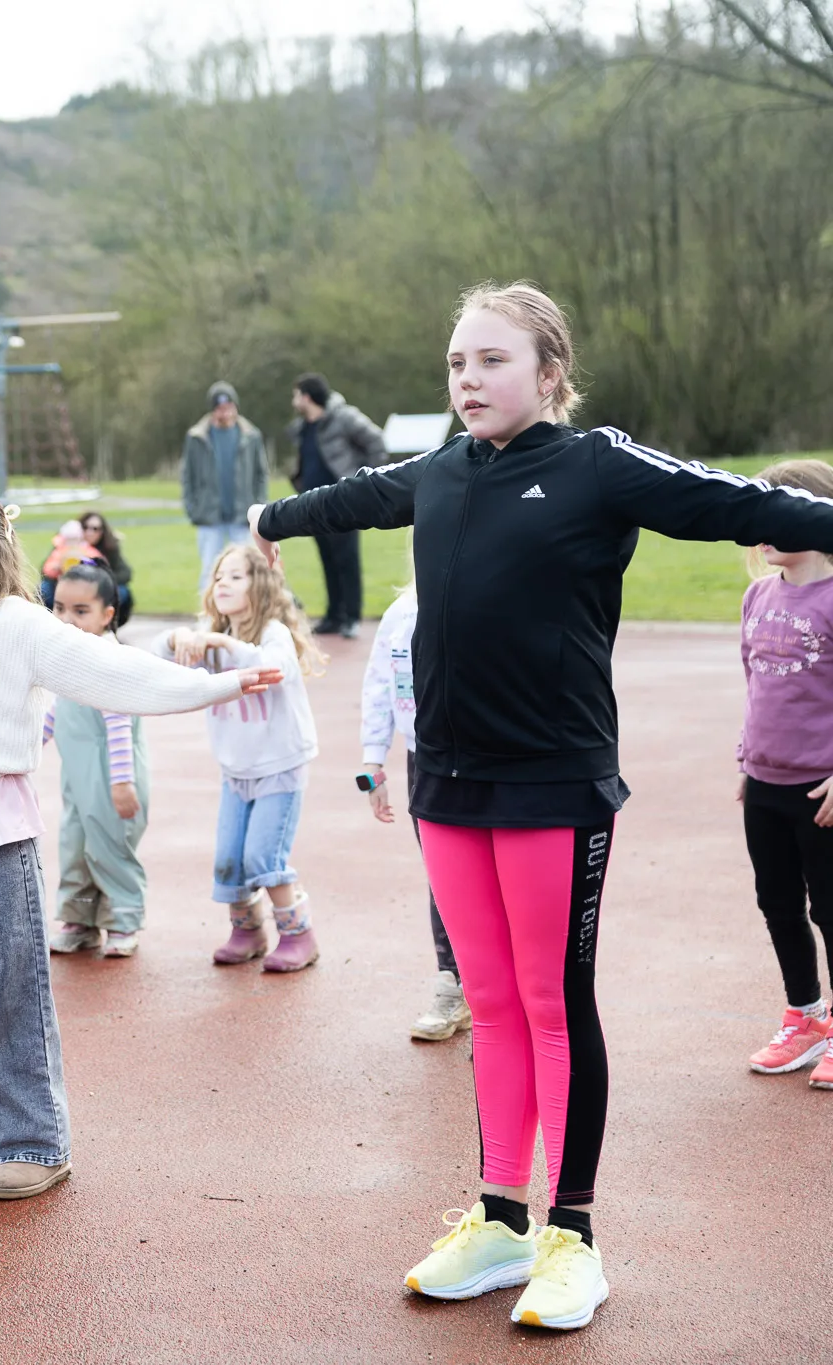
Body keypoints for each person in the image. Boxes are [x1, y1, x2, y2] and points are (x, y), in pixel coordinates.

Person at [251, 280, 833, 1332]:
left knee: (550, 1001)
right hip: (448, 786)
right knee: (487, 1003)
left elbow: (740, 503)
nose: (467, 379)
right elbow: (352, 496)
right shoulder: (438, 472)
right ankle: (500, 1220)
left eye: (490, 361)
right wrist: (268, 519)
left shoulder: (595, 464)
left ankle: (571, 1236)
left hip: (552, 785)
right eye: (455, 364)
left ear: (549, 374)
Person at [0, 482, 279, 1201]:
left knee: (13, 982)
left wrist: (213, 687)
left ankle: (34, 1139)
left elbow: (112, 671)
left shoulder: (14, 622)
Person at [150, 544, 325, 971]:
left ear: (261, 584)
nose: (223, 583)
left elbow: (274, 668)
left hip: (279, 766)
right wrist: (178, 638)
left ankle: (300, 936)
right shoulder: (208, 636)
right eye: (219, 576)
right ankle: (247, 931)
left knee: (262, 859)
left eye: (236, 576)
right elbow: (158, 657)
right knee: (229, 859)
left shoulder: (271, 633)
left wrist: (222, 642)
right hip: (236, 769)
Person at [735, 458, 833, 1090]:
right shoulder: (757, 594)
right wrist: (748, 758)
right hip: (764, 782)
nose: (760, 526)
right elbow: (754, 685)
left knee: (831, 908)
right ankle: (807, 1016)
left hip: (822, 789)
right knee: (777, 902)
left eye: (777, 510)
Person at [362, 579, 471, 1041]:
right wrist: (372, 763)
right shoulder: (401, 611)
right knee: (443, 875)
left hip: (483, 755)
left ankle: (497, 995)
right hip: (421, 758)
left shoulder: (480, 593)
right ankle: (453, 984)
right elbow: (379, 685)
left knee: (489, 874)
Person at [43, 564, 149, 959]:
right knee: (75, 845)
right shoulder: (68, 657)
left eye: (81, 611)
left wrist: (122, 783)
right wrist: (25, 746)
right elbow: (56, 710)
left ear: (107, 615)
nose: (67, 619)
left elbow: (119, 724)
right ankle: (80, 920)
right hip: (78, 779)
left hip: (111, 779)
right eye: (59, 608)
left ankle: (123, 920)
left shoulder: (108, 659)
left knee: (109, 847)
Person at [287, 373, 387, 638]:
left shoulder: (344, 417)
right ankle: (333, 616)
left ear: (307, 396)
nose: (294, 400)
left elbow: (376, 441)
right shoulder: (303, 426)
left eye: (296, 394)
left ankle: (352, 617)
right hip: (313, 504)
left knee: (347, 560)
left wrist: (364, 482)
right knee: (328, 561)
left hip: (343, 502)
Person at [182, 383, 271, 592]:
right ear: (213, 410)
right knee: (210, 570)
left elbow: (261, 474)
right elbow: (188, 476)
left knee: (246, 569)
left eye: (229, 406)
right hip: (209, 517)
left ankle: (246, 617)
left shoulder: (251, 436)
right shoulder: (197, 437)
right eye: (220, 407)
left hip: (243, 517)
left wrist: (259, 505)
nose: (225, 411)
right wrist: (193, 508)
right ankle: (209, 620)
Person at [78, 510, 133, 621]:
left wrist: (103, 581)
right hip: (70, 586)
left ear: (102, 531)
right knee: (45, 588)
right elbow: (47, 567)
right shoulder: (67, 545)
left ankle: (105, 624)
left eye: (95, 529)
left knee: (121, 591)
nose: (89, 532)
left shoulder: (108, 548)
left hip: (99, 589)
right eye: (85, 527)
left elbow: (125, 573)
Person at [37, 519, 102, 608]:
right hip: (59, 583)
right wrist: (57, 567)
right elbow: (46, 569)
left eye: (74, 539)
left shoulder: (86, 550)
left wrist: (85, 563)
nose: (72, 543)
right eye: (69, 539)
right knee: (44, 589)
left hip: (83, 584)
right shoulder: (59, 551)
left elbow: (98, 563)